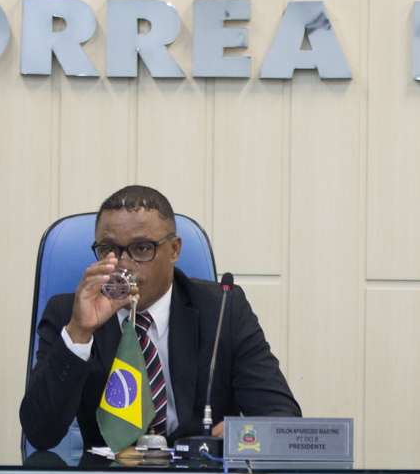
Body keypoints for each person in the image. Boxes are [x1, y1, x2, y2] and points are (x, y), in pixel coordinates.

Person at [21, 185, 299, 452]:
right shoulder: (70, 315)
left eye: (142, 248)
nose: (123, 264)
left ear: (174, 250)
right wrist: (79, 333)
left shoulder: (222, 310)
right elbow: (40, 434)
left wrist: (245, 432)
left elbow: (282, 417)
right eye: (109, 249)